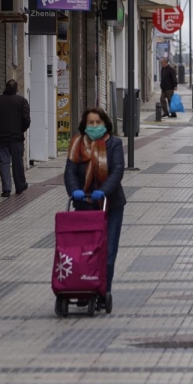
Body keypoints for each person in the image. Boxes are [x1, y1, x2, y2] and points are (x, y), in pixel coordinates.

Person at [64, 108, 125, 295]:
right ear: (85, 125)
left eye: (98, 122)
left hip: (111, 204)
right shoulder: (76, 144)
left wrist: (103, 191)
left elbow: (117, 171)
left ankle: (103, 290)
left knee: (107, 253)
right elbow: (70, 171)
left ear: (105, 123)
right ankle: (83, 288)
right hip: (84, 205)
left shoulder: (114, 144)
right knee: (83, 252)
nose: (95, 126)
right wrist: (74, 190)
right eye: (91, 123)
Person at [0, 79, 31, 198]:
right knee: (17, 163)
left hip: (1, 138)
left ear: (6, 88)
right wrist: (20, 129)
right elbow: (27, 120)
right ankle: (20, 186)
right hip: (16, 138)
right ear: (16, 89)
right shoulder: (22, 101)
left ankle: (6, 189)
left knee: (4, 163)